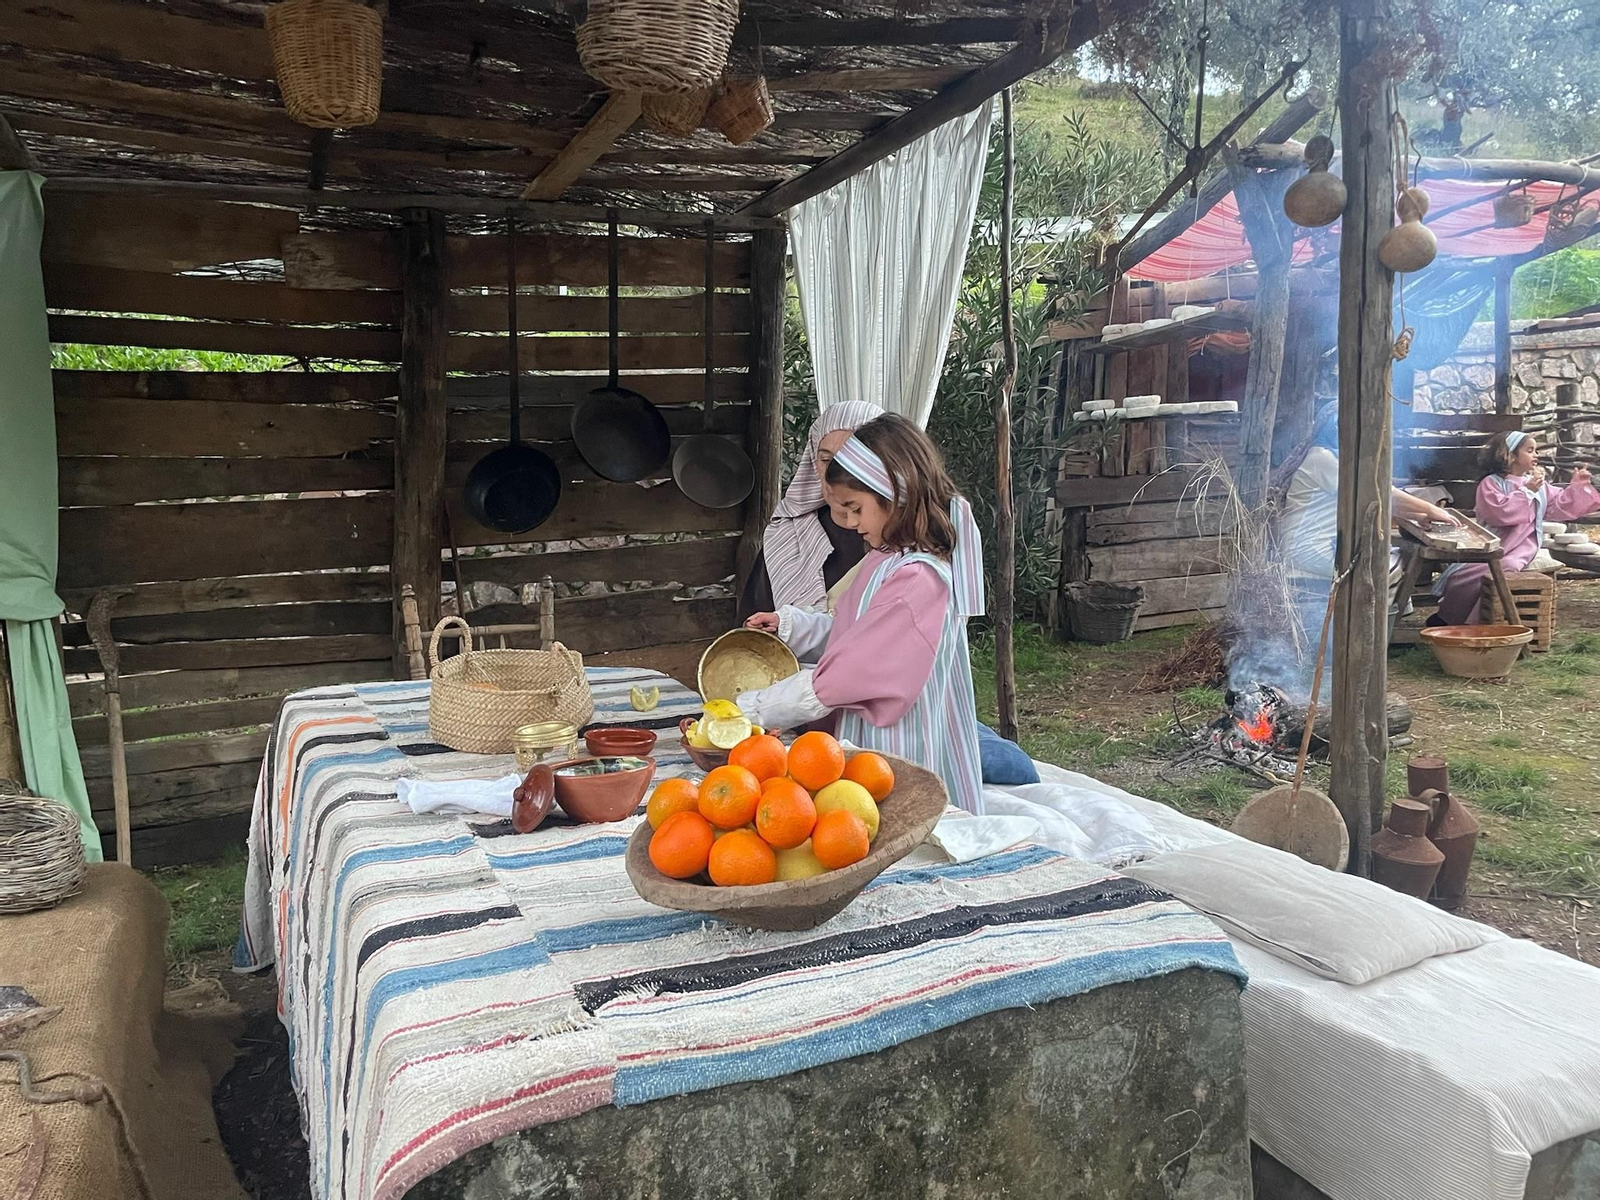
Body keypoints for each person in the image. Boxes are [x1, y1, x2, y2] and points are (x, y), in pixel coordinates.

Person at [736, 414, 985, 814]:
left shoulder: (918, 579)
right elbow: (854, 631)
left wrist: (749, 709)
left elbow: (846, 675)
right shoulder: (887, 557)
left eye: (855, 508)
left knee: (903, 816)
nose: (849, 523)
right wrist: (792, 625)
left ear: (896, 491)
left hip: (905, 739)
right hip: (876, 732)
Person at [1274, 402, 1463, 595]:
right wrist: (1432, 510)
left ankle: (1388, 620)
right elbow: (1380, 492)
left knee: (1391, 561)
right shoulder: (1322, 459)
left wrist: (1419, 515)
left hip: (1318, 545)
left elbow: (1377, 499)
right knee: (1384, 569)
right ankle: (1378, 623)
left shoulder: (1331, 457)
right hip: (1307, 549)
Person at [737, 400, 885, 621]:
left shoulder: (901, 540)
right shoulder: (786, 537)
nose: (834, 475)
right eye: (826, 459)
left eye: (848, 459)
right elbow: (751, 630)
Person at [1433, 431, 1599, 625]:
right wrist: (1526, 492)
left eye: (1536, 450)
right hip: (1493, 544)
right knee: (1464, 575)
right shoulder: (1491, 484)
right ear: (1509, 455)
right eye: (1530, 450)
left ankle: (1477, 624)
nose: (1536, 455)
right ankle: (1449, 618)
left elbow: (1557, 505)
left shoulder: (1538, 486)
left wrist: (1577, 488)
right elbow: (1498, 514)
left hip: (1522, 547)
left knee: (1506, 567)